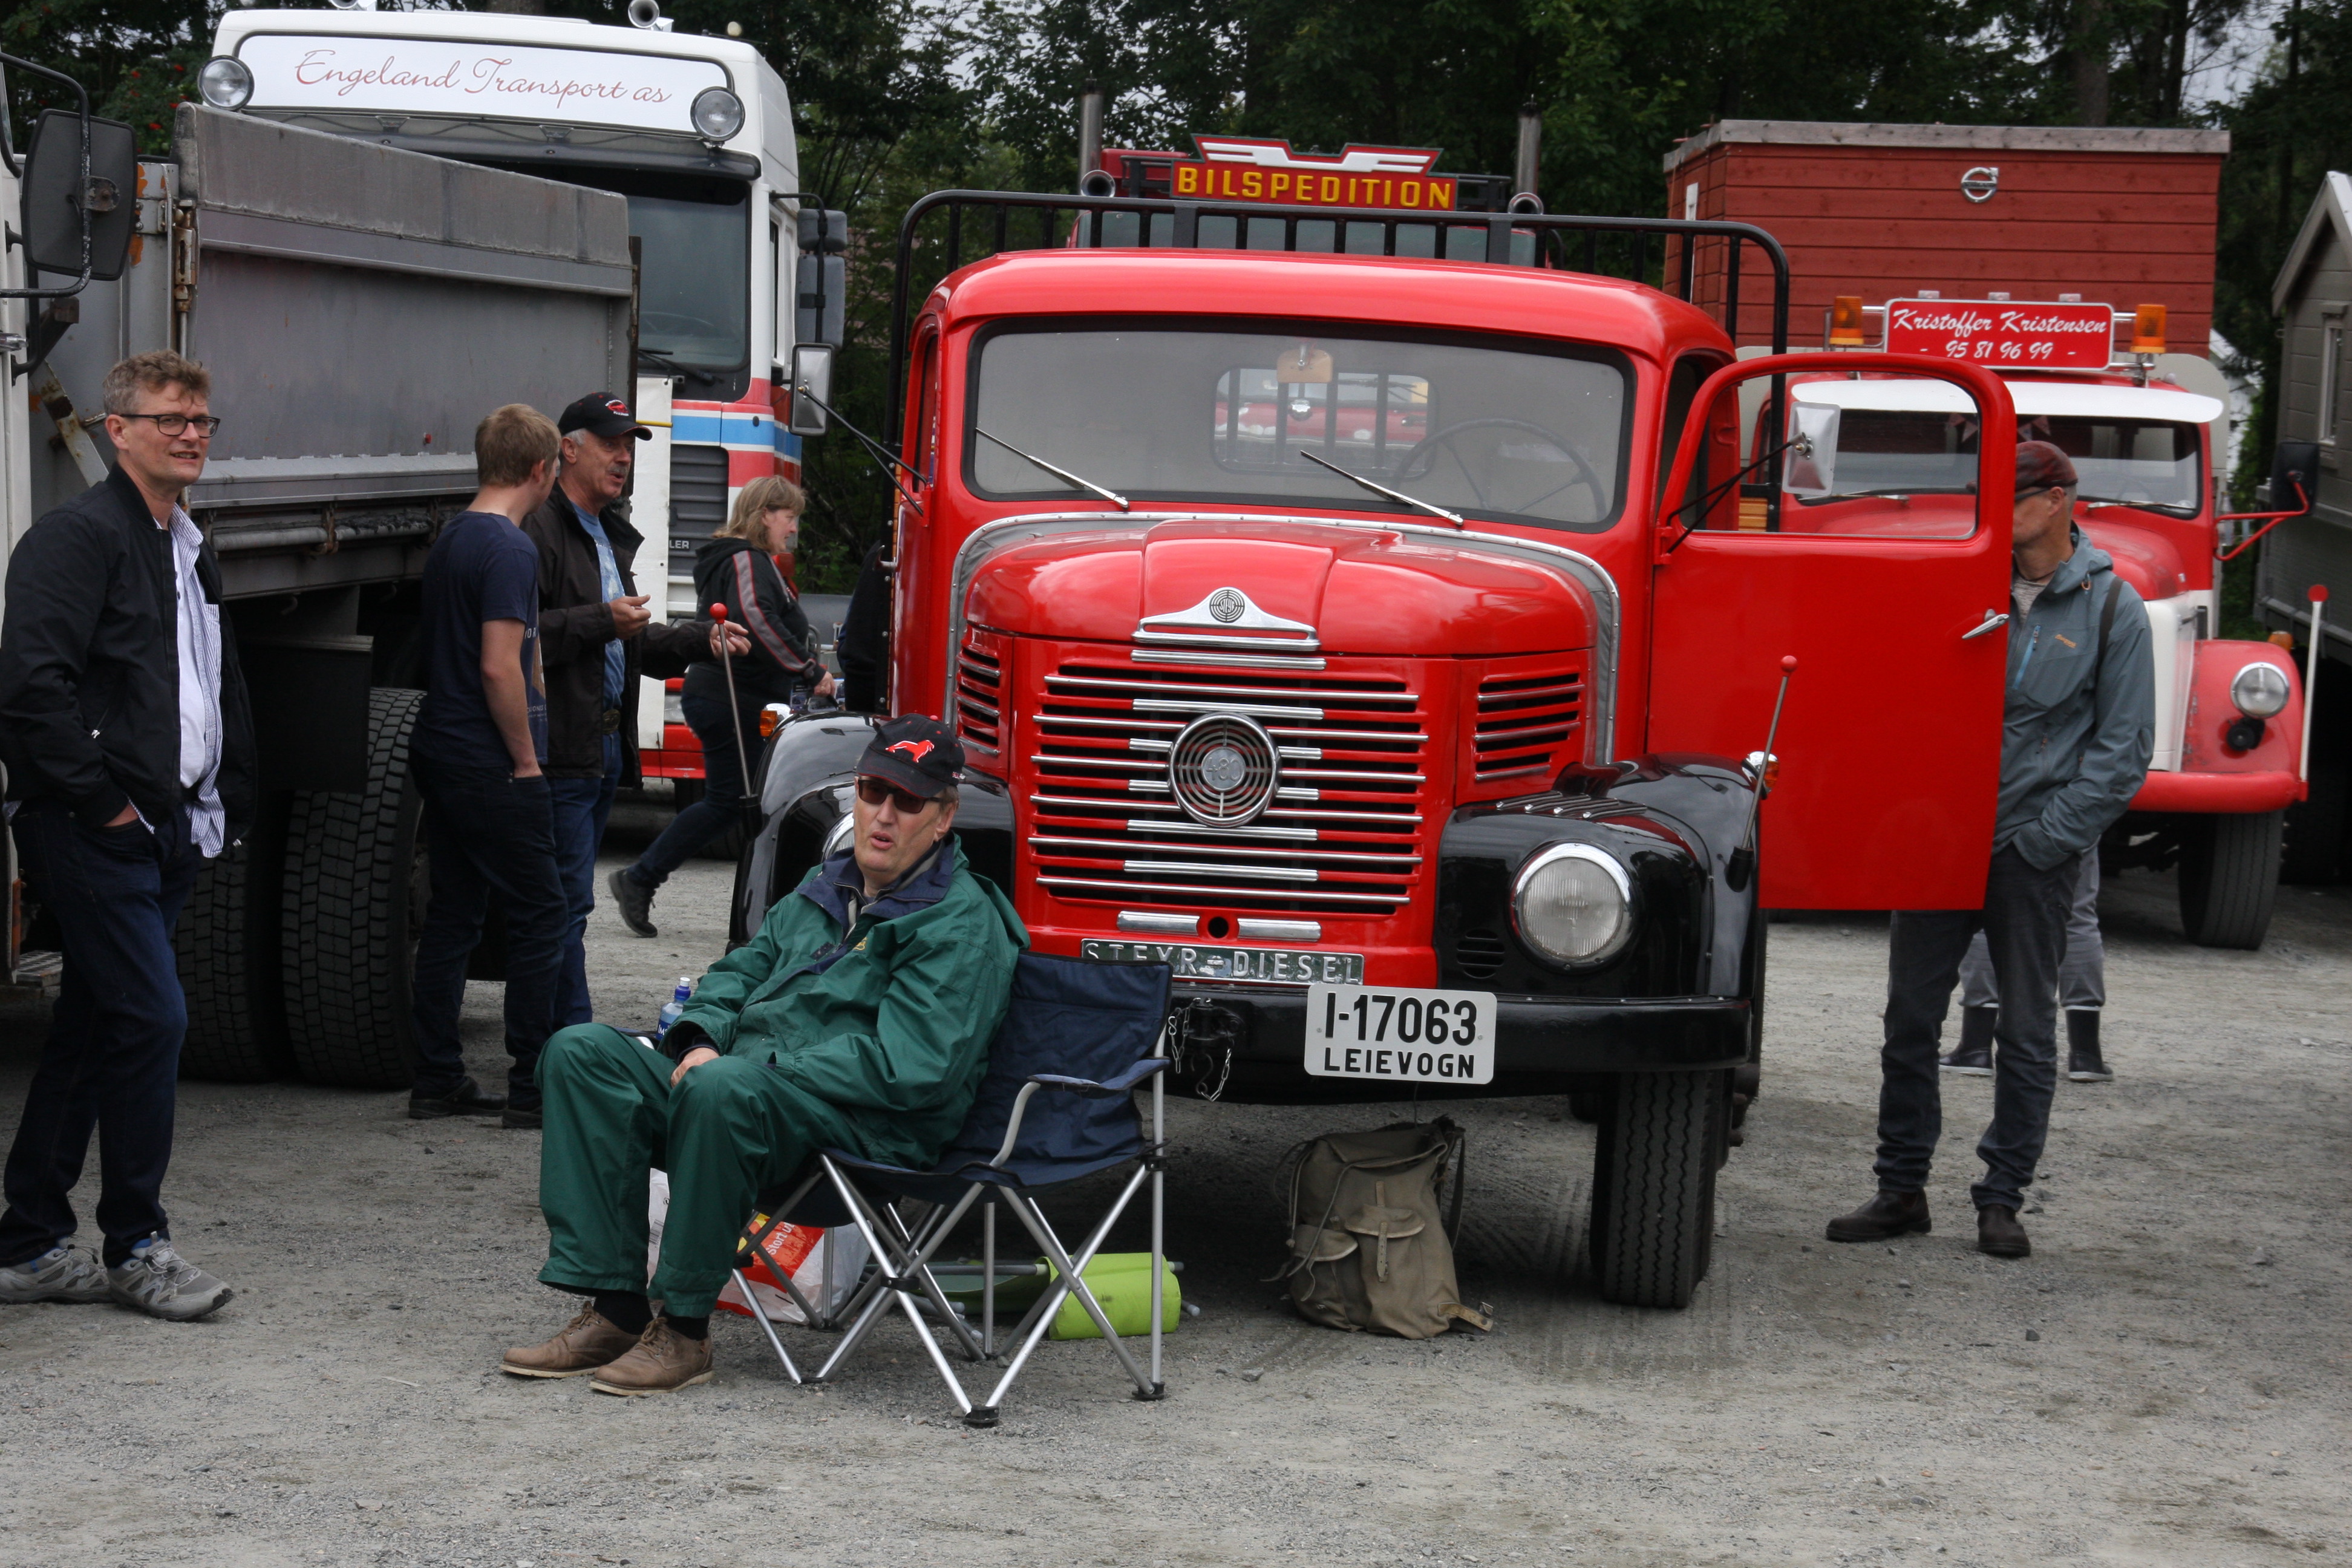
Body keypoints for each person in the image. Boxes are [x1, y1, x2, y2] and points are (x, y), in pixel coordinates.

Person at [501, 716, 1026, 1395]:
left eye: (909, 801)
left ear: (944, 817)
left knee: (724, 1091)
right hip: (745, 1096)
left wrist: (756, 1067)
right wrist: (702, 1038)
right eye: (873, 791)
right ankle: (616, 1307)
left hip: (864, 1130)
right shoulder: (825, 886)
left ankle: (685, 1331)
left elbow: (913, 1067)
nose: (885, 815)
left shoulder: (959, 920)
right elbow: (735, 977)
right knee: (581, 1053)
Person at [1826, 440, 2154, 1260]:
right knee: (1909, 1019)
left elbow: (2123, 753)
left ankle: (2001, 1198)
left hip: (2030, 847)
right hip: (1939, 838)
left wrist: (2048, 840)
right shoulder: (1958, 584)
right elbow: (1898, 699)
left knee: (2028, 1029)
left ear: (2056, 500)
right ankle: (1901, 1189)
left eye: (2008, 497)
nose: (1990, 513)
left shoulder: (2114, 610)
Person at [0, 350, 252, 1321]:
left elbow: (204, 686)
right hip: (97, 829)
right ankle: (137, 1245)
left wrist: (217, 801)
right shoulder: (75, 541)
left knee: (95, 1026)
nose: (191, 433)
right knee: (153, 1020)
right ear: (119, 431)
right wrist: (108, 806)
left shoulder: (186, 543)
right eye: (170, 419)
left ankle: (30, 1242)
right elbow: (29, 691)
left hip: (171, 829)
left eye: (202, 420)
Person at [518, 393, 748, 1028]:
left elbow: (631, 639)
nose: (623, 457)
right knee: (559, 908)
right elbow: (516, 634)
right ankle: (562, 1048)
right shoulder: (539, 527)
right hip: (559, 752)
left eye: (630, 446)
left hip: (600, 754)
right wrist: (602, 620)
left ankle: (568, 1043)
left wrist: (702, 639)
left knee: (573, 907)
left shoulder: (605, 532)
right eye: (611, 443)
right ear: (569, 448)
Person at [406, 405, 570, 1131]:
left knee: (454, 913)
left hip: (442, 748)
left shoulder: (453, 540)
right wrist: (528, 762)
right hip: (489, 760)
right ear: (541, 470)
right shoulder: (510, 548)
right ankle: (533, 1082)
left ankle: (436, 1076)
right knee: (543, 916)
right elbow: (501, 667)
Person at [607, 475, 835, 938]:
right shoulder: (746, 559)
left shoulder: (743, 559)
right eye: (788, 518)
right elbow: (755, 620)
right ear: (764, 515)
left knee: (740, 805)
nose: (792, 529)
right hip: (729, 696)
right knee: (735, 803)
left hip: (730, 695)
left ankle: (655, 881)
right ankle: (643, 878)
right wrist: (810, 669)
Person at [1942, 849, 2111, 1082]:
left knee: (1987, 906)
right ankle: (2086, 1054)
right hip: (2068, 821)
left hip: (2005, 823)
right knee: (2078, 913)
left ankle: (1976, 1047)